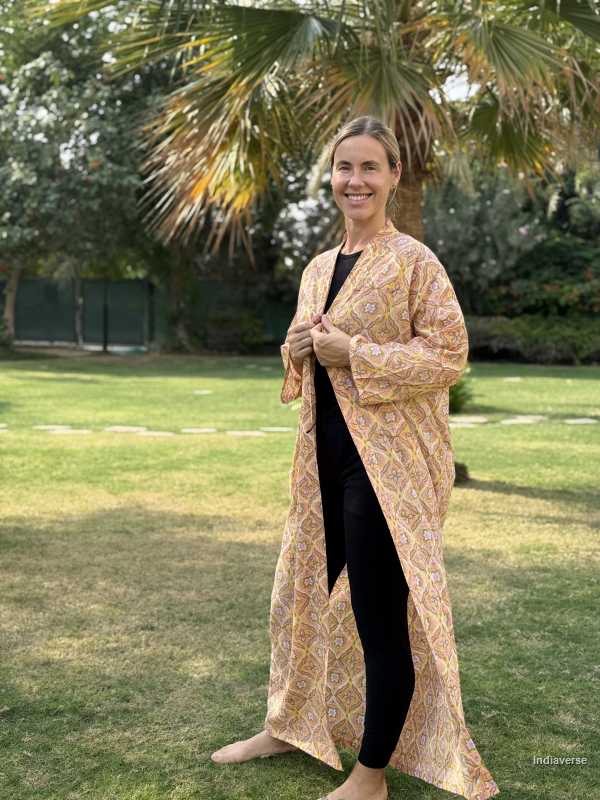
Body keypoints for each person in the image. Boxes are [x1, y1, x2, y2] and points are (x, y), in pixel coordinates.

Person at [211, 116, 499, 800]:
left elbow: (448, 356)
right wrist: (302, 344)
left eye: (370, 167)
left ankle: (371, 774)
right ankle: (287, 724)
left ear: (394, 176)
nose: (355, 180)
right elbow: (302, 355)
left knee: (377, 615)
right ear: (331, 177)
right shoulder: (318, 267)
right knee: (296, 600)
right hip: (320, 466)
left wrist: (356, 353)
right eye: (345, 167)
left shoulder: (415, 262)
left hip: (388, 471)